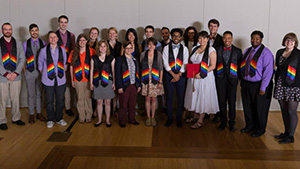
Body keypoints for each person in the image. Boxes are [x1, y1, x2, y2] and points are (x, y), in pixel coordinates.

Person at [240, 30, 273, 137]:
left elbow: (268, 72)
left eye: (257, 38)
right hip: (246, 83)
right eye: (253, 38)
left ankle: (260, 129)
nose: (254, 40)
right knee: (248, 107)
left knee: (260, 109)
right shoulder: (247, 51)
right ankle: (249, 126)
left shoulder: (266, 53)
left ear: (261, 40)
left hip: (259, 84)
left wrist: (263, 87)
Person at [184, 31, 219, 129]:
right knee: (195, 96)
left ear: (208, 39)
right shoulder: (195, 48)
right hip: (194, 77)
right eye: (200, 38)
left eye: (204, 38)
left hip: (204, 77)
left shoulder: (211, 50)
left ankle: (201, 119)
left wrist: (202, 73)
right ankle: (195, 116)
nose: (202, 40)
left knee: (202, 96)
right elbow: (191, 61)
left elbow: (213, 66)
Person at [274, 33, 300, 143]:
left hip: (293, 86)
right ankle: (286, 132)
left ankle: (291, 136)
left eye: (292, 41)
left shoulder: (298, 54)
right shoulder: (280, 52)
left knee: (291, 110)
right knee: (284, 109)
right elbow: (278, 68)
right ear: (284, 41)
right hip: (280, 84)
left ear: (295, 43)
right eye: (287, 40)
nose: (289, 42)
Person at [38, 31, 68, 128]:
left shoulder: (62, 50)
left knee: (60, 100)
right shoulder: (43, 51)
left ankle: (59, 118)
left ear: (57, 39)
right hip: (48, 80)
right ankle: (50, 119)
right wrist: (47, 75)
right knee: (49, 100)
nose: (53, 39)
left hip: (60, 79)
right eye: (51, 37)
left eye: (54, 37)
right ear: (48, 39)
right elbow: (40, 66)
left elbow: (64, 63)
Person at [214, 31, 242, 131]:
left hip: (233, 80)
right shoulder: (217, 50)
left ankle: (232, 123)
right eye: (225, 38)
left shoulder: (238, 51)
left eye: (229, 38)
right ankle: (223, 122)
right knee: (221, 102)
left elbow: (240, 66)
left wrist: (239, 78)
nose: (227, 40)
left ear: (232, 39)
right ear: (222, 39)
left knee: (231, 102)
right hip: (220, 79)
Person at [0, 23, 26, 130]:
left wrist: (15, 73)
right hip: (2, 76)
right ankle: (2, 120)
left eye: (10, 29)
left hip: (16, 76)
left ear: (12, 31)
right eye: (5, 29)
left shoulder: (18, 43)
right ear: (2, 31)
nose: (8, 31)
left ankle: (16, 118)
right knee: (2, 99)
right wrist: (6, 73)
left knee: (15, 99)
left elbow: (22, 59)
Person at [162, 28, 188, 128]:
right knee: (169, 98)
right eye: (174, 36)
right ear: (171, 36)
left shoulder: (185, 49)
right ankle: (170, 118)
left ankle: (179, 119)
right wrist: (174, 75)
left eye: (178, 36)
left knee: (180, 98)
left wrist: (178, 75)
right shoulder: (166, 48)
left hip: (181, 76)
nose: (176, 38)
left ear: (181, 37)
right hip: (169, 75)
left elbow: (185, 63)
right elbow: (165, 63)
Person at [68, 34, 95, 123]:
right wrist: (72, 79)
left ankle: (88, 115)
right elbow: (71, 66)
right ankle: (82, 116)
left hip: (88, 79)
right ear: (78, 42)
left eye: (84, 40)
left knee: (88, 98)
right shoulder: (73, 52)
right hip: (77, 79)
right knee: (80, 98)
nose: (82, 42)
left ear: (87, 41)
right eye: (80, 40)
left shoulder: (91, 51)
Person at [23, 23, 46, 124]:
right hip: (30, 71)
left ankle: (39, 113)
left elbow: (45, 58)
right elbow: (22, 59)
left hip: (40, 72)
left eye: (36, 30)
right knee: (31, 94)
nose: (34, 32)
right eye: (32, 30)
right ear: (29, 32)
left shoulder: (43, 43)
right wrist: (25, 71)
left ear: (38, 31)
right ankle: (31, 114)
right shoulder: (25, 44)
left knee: (39, 93)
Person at [115, 42, 141, 128]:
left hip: (133, 84)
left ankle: (132, 119)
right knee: (123, 104)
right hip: (124, 85)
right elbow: (117, 74)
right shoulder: (119, 59)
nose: (128, 50)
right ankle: (122, 121)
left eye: (130, 48)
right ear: (124, 49)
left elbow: (138, 72)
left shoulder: (135, 59)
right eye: (126, 48)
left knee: (132, 104)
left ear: (132, 49)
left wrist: (139, 84)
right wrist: (119, 86)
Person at [90, 40, 115, 127]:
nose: (103, 48)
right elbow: (91, 70)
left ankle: (107, 120)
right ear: (98, 48)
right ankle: (100, 119)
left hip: (108, 82)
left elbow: (113, 71)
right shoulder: (94, 58)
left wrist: (114, 83)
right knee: (99, 102)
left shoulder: (111, 58)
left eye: (104, 46)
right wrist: (91, 83)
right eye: (101, 46)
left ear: (107, 48)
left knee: (108, 102)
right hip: (97, 82)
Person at [140, 37, 164, 126]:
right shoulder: (143, 54)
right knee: (147, 98)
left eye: (153, 45)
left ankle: (153, 117)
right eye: (149, 44)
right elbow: (141, 65)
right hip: (146, 79)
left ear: (155, 46)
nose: (151, 46)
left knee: (154, 98)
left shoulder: (158, 54)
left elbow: (161, 68)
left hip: (155, 79)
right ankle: (148, 117)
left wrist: (160, 81)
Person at [56, 15, 76, 117]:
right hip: (56, 65)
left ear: (67, 23)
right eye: (61, 22)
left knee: (67, 86)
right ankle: (57, 107)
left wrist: (68, 64)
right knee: (57, 86)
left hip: (67, 65)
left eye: (65, 22)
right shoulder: (53, 35)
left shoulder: (71, 35)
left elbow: (73, 51)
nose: (63, 24)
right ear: (58, 23)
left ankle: (68, 107)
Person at [208, 18, 223, 123]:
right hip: (205, 69)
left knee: (218, 93)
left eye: (215, 26)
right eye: (211, 26)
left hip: (217, 70)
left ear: (218, 28)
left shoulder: (222, 39)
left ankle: (218, 114)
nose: (213, 28)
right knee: (206, 92)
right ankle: (205, 113)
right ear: (208, 27)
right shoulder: (203, 37)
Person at [108, 27, 123, 116]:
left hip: (118, 69)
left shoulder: (120, 44)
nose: (112, 35)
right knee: (109, 89)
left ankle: (114, 108)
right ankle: (108, 108)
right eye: (110, 33)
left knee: (116, 90)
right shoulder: (105, 44)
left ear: (116, 34)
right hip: (108, 69)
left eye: (114, 33)